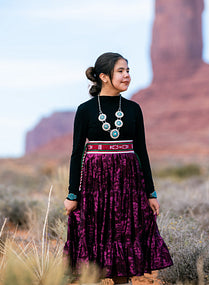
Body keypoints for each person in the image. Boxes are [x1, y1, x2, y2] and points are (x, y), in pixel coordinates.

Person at [63, 52, 173, 284]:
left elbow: (142, 152)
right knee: (94, 238)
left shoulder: (134, 109)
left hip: (128, 184)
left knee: (124, 236)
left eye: (128, 70)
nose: (127, 75)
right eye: (121, 71)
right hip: (96, 185)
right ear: (104, 76)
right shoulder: (85, 110)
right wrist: (72, 194)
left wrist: (150, 193)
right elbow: (76, 154)